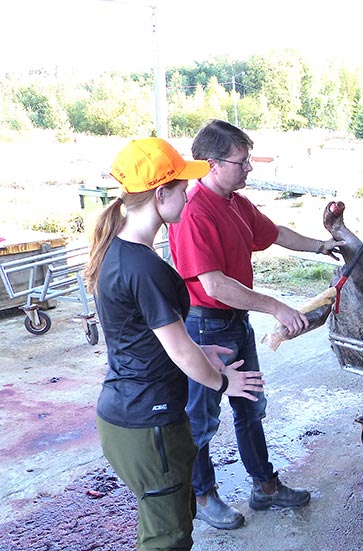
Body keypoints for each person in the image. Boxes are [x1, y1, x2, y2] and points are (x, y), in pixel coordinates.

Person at [84, 137, 265, 550]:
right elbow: (179, 350)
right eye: (182, 188)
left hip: (131, 413)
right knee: (167, 539)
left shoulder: (120, 252)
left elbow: (150, 340)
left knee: (171, 521)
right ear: (160, 194)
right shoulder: (143, 266)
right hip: (149, 422)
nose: (189, 195)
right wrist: (223, 383)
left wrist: (203, 354)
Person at [167, 119, 342, 530]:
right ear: (213, 164)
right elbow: (215, 284)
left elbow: (274, 232)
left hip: (235, 324)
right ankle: (203, 495)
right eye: (242, 162)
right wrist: (277, 308)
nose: (249, 169)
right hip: (206, 328)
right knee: (202, 417)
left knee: (250, 407)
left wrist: (321, 245)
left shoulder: (234, 201)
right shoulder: (194, 212)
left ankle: (265, 487)